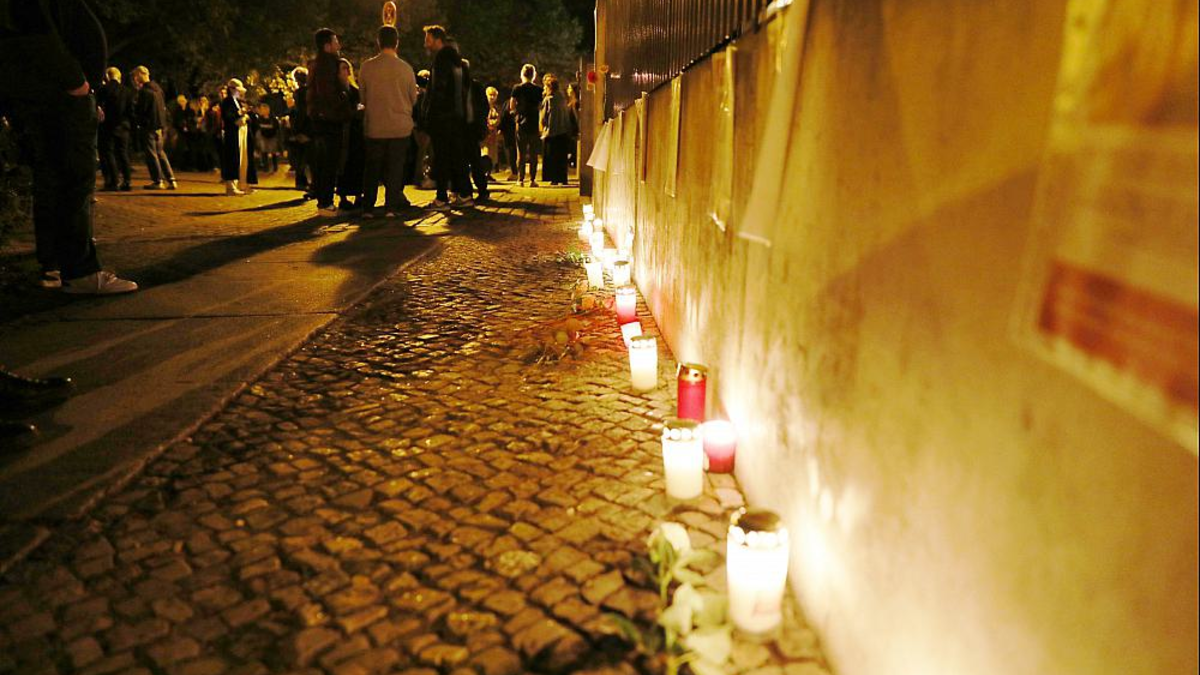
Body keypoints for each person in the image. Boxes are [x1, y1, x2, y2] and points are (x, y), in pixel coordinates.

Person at [0, 0, 138, 294]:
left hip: (57, 93)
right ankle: (80, 270)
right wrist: (76, 82)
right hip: (61, 96)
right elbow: (34, 36)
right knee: (73, 180)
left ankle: (61, 264)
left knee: (57, 180)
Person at [358, 24, 418, 218]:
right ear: (397, 43)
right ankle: (391, 207)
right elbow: (413, 98)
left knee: (372, 167)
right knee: (395, 168)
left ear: (378, 42)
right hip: (399, 126)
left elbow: (363, 98)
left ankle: (368, 207)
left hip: (375, 125)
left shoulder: (367, 67)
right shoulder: (406, 68)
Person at [421, 25, 472, 209]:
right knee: (456, 156)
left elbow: (439, 90)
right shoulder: (457, 62)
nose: (425, 43)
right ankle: (464, 194)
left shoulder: (441, 60)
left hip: (443, 117)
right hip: (457, 116)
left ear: (437, 39)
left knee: (441, 157)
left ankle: (441, 198)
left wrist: (430, 113)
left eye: (427, 39)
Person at [307, 28, 351, 215]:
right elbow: (328, 94)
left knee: (325, 162)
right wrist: (345, 98)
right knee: (329, 163)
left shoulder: (319, 64)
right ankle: (325, 203)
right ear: (327, 46)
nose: (338, 45)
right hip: (329, 120)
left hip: (323, 118)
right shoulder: (327, 65)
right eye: (335, 42)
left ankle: (324, 201)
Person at [130, 65, 177, 190]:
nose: (134, 79)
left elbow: (141, 110)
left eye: (135, 76)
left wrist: (139, 121)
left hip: (149, 126)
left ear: (140, 74)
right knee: (160, 152)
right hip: (160, 125)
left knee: (151, 154)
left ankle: (157, 180)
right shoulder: (158, 89)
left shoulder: (145, 92)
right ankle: (171, 179)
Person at [96, 67, 133, 191]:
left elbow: (98, 107)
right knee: (123, 153)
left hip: (108, 126)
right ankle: (127, 181)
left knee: (109, 152)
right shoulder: (127, 91)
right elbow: (130, 111)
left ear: (107, 76)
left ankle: (113, 180)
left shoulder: (103, 90)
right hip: (123, 126)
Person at [335, 58, 364, 211]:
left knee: (357, 162)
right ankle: (343, 196)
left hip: (356, 132)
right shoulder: (336, 91)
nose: (345, 71)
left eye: (347, 68)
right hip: (344, 131)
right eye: (342, 68)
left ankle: (359, 195)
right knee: (343, 164)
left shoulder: (354, 90)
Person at [220, 78, 255, 195]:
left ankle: (241, 183)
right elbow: (229, 117)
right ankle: (231, 185)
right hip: (232, 133)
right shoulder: (227, 102)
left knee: (241, 157)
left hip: (240, 132)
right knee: (232, 157)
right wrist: (240, 115)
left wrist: (245, 116)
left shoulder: (237, 101)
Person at [510, 63, 543, 187]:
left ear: (522, 75)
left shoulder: (517, 88)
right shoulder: (539, 89)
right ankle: (532, 180)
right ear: (533, 75)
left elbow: (512, 106)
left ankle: (520, 179)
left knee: (521, 153)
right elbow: (541, 107)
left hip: (521, 123)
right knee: (534, 153)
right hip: (534, 122)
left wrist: (516, 113)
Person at [539, 73, 571, 185]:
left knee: (551, 157)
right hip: (562, 132)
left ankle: (553, 179)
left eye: (545, 87)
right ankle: (562, 178)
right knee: (561, 158)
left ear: (549, 88)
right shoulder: (562, 99)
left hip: (551, 132)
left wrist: (543, 130)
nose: (544, 88)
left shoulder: (548, 100)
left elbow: (543, 118)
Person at [286, 66, 312, 194]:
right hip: (308, 127)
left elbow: (300, 112)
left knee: (302, 157)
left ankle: (302, 181)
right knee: (306, 157)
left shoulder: (300, 93)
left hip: (303, 128)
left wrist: (297, 130)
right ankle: (305, 181)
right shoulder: (310, 91)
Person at [256, 102, 281, 173]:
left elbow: (276, 127)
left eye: (264, 109)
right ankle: (266, 167)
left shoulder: (273, 118)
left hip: (272, 137)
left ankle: (275, 167)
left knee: (273, 152)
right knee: (264, 152)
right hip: (264, 137)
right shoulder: (259, 119)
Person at [484, 86, 502, 175]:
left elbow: (499, 119)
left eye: (494, 95)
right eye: (490, 95)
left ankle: (489, 173)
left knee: (493, 154)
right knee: (485, 152)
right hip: (486, 133)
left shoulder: (496, 107)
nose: (492, 97)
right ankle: (484, 172)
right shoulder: (483, 106)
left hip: (493, 133)